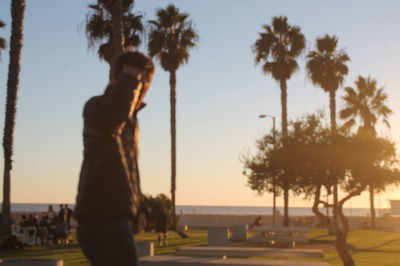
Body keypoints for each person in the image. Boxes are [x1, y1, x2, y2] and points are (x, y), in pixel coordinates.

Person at [75, 51, 154, 266]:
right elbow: (110, 122)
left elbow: (128, 173)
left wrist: (140, 207)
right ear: (116, 79)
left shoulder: (128, 121)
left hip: (116, 219)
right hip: (101, 219)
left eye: (143, 83)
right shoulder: (96, 109)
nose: (141, 90)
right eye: (136, 81)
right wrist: (129, 79)